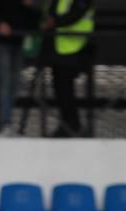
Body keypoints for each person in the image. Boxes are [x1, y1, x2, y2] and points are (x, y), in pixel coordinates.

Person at [0, 0, 38, 135]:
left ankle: (8, 122)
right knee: (5, 80)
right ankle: (5, 123)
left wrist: (29, 7)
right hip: (0, 42)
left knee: (15, 82)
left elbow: (34, 21)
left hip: (18, 42)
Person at [45, 0, 94, 137]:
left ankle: (73, 126)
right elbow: (50, 14)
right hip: (59, 47)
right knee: (59, 88)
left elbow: (75, 14)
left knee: (66, 88)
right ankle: (68, 124)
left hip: (77, 47)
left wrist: (55, 22)